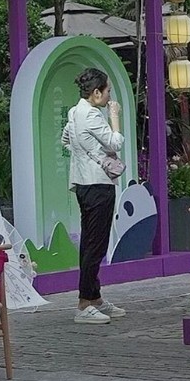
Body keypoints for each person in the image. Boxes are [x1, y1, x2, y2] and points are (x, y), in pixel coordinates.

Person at [62, 67, 126, 325]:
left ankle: (94, 297)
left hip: (83, 183)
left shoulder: (74, 112)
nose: (109, 95)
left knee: (90, 242)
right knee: (95, 245)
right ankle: (84, 303)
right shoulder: (91, 115)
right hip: (98, 184)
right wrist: (114, 115)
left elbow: (65, 140)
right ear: (97, 93)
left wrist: (85, 153)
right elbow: (116, 142)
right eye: (107, 90)